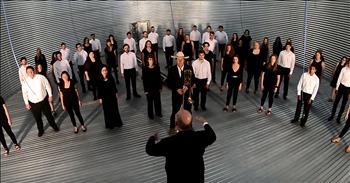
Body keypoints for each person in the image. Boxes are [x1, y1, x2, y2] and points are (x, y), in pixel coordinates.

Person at [146, 109, 216, 183]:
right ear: (190, 123)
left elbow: (150, 150)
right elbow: (212, 136)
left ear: (176, 126)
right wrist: (204, 122)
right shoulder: (200, 137)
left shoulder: (168, 142)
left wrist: (152, 138)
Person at [22, 66, 60, 137]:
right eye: (29, 72)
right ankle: (41, 130)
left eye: (32, 71)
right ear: (27, 73)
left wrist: (50, 95)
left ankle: (54, 126)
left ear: (34, 71)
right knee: (37, 118)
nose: (31, 73)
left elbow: (47, 86)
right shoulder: (25, 82)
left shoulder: (41, 77)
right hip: (33, 103)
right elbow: (24, 94)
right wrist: (27, 103)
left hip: (44, 101)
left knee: (49, 116)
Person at [167, 52, 194, 134]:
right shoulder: (172, 69)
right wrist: (176, 89)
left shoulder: (188, 68)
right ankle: (172, 127)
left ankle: (189, 126)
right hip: (176, 95)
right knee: (175, 111)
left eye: (181, 60)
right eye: (178, 60)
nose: (180, 61)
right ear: (176, 60)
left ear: (184, 60)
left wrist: (187, 87)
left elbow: (193, 80)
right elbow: (168, 82)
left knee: (188, 110)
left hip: (188, 94)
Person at [328, 59, 350, 124]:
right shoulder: (343, 69)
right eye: (349, 63)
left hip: (348, 89)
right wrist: (337, 88)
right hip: (341, 87)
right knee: (336, 102)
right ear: (348, 63)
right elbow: (339, 78)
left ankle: (338, 118)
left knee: (343, 104)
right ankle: (332, 115)